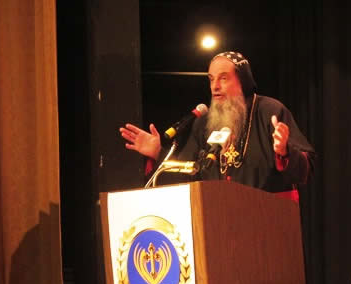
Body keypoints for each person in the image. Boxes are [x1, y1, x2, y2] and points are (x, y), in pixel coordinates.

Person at [119, 51, 315, 200]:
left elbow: (306, 170)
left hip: (265, 222)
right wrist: (158, 152)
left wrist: (285, 152)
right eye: (211, 79)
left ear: (243, 81)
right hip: (216, 223)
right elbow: (189, 175)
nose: (215, 86)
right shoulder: (203, 123)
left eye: (223, 78)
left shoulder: (269, 111)